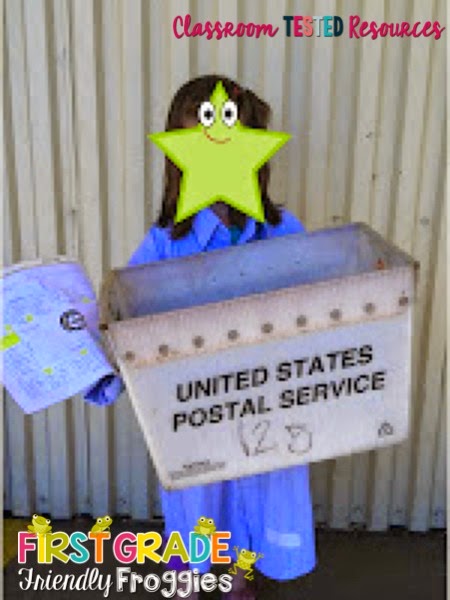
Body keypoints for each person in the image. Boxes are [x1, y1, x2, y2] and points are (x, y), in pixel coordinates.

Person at [86, 74, 316, 599]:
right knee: (197, 491)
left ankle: (239, 576)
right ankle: (189, 577)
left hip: (265, 395)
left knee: (258, 484)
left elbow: (316, 295)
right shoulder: (165, 242)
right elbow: (125, 306)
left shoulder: (281, 230)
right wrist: (94, 342)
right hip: (191, 402)